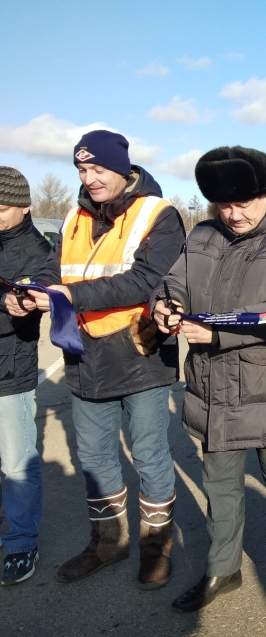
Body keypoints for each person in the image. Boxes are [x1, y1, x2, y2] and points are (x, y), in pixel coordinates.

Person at [152, 146, 266, 628]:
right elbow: (172, 283)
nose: (234, 214)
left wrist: (219, 333)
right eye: (224, 205)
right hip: (212, 390)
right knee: (220, 488)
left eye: (245, 202)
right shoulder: (202, 235)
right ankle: (222, 571)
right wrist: (164, 306)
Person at [24, 130, 185, 589]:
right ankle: (107, 543)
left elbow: (146, 280)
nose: (88, 179)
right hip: (83, 356)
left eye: (97, 170)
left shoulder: (160, 214)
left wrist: (68, 295)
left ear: (122, 169)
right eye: (81, 170)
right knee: (94, 456)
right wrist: (32, 291)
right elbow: (50, 268)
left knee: (150, 455)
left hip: (139, 354)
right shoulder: (74, 216)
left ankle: (156, 550)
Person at [0, 168, 51, 585]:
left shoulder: (38, 250)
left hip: (9, 371)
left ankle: (20, 542)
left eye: (2, 208)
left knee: (17, 463)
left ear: (25, 207)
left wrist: (17, 301)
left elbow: (29, 298)